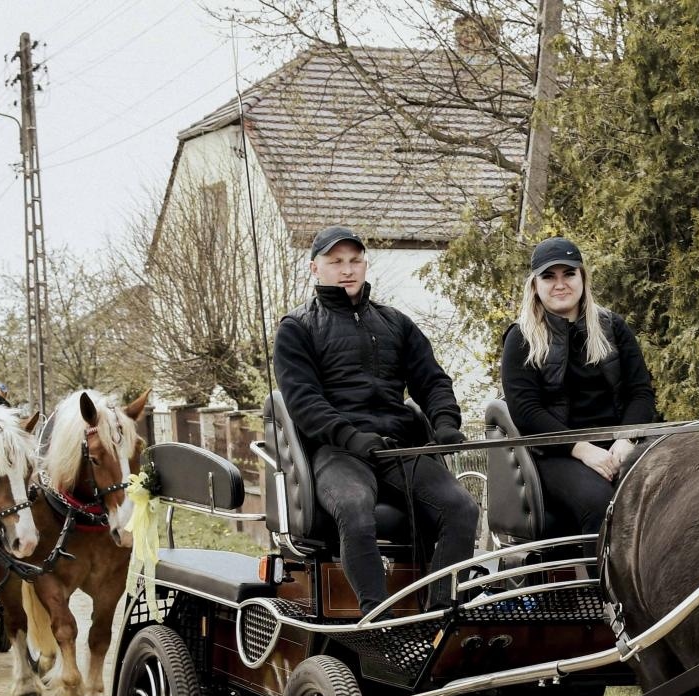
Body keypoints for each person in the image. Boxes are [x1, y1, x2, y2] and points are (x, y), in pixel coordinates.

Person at [273, 225, 478, 618]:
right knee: (353, 507)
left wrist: (446, 421)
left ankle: (440, 615)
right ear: (315, 269)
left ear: (365, 265)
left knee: (462, 507)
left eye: (355, 260)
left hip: (398, 449)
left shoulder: (396, 323)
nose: (347, 269)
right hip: (338, 452)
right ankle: (374, 619)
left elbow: (432, 380)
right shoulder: (297, 328)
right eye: (336, 262)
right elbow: (303, 402)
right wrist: (351, 437)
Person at [501, 237, 657, 536]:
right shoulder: (520, 338)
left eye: (568, 274)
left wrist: (627, 440)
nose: (560, 284)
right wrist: (581, 449)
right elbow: (526, 412)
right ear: (535, 285)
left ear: (582, 278)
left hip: (620, 445)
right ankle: (595, 585)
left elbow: (640, 393)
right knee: (601, 503)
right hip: (555, 454)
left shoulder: (613, 327)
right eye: (549, 276)